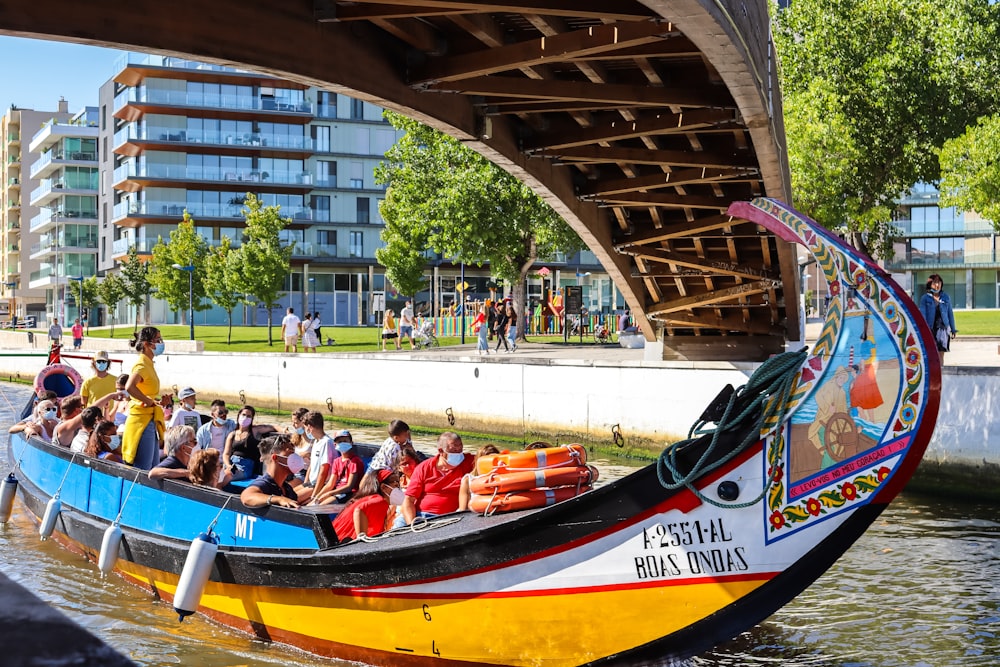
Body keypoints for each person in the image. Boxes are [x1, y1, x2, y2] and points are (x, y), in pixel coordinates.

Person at [400, 432, 474, 526]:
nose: (458, 453)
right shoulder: (424, 467)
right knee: (397, 527)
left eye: (460, 448)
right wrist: (411, 525)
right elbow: (409, 500)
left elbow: (487, 455)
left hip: (449, 519)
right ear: (441, 451)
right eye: (454, 450)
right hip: (420, 517)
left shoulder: (469, 462)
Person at [121, 327, 167, 470]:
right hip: (141, 421)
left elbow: (144, 392)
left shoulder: (149, 364)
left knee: (154, 465)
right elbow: (129, 387)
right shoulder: (141, 365)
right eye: (157, 340)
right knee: (143, 468)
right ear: (147, 344)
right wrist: (148, 401)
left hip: (150, 419)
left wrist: (157, 402)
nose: (161, 343)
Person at [332, 469, 401, 543]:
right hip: (343, 544)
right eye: (396, 486)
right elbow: (360, 509)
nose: (399, 490)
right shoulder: (380, 501)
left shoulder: (368, 498)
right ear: (383, 487)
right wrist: (362, 541)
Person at [240, 434, 302, 509]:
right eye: (290, 453)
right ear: (275, 458)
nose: (295, 457)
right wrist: (278, 499)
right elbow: (247, 497)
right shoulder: (264, 483)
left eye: (294, 453)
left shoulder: (288, 489)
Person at [313, 430, 364, 505]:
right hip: (337, 491)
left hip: (349, 493)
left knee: (323, 505)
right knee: (313, 504)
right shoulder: (337, 461)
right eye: (339, 442)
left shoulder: (354, 461)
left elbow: (350, 486)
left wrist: (330, 493)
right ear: (335, 444)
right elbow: (330, 484)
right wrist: (318, 496)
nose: (342, 443)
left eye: (345, 441)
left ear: (351, 443)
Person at [919, 274, 957, 356]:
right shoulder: (925, 298)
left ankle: (941, 369)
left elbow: (950, 314)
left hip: (943, 329)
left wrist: (953, 329)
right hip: (930, 329)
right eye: (934, 282)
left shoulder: (946, 297)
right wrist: (924, 330)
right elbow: (923, 315)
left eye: (939, 282)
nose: (937, 285)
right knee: (931, 354)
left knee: (941, 354)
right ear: (930, 284)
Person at [300, 411, 334, 501]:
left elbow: (324, 471)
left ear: (310, 427)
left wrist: (315, 494)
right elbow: (312, 465)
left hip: (320, 484)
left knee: (294, 498)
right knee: (288, 494)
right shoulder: (316, 441)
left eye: (305, 428)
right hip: (311, 482)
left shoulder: (326, 443)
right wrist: (305, 483)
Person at [222, 405, 261, 481]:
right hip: (231, 464)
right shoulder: (232, 434)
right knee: (215, 475)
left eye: (249, 416)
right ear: (238, 415)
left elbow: (271, 427)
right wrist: (228, 465)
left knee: (223, 478)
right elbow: (226, 454)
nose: (245, 417)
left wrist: (283, 430)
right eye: (243, 415)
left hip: (244, 466)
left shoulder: (254, 431)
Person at [458, 444, 500, 511]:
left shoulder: (502, 479)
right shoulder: (468, 480)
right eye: (487, 461)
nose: (492, 464)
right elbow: (462, 509)